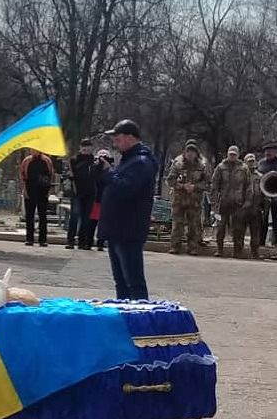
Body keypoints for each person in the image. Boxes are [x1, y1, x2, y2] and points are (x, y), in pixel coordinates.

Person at [98, 119, 157, 300]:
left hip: (128, 229)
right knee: (121, 282)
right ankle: (124, 312)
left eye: (118, 139)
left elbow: (126, 188)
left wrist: (109, 173)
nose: (115, 143)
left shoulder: (141, 162)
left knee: (133, 281)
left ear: (130, 138)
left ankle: (140, 313)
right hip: (117, 229)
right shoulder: (128, 160)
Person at [166, 141, 208, 256]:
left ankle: (192, 248)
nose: (190, 154)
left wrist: (195, 187)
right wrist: (182, 186)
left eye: (193, 152)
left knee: (193, 225)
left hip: (194, 200)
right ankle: (175, 246)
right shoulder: (178, 164)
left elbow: (207, 183)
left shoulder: (202, 166)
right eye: (188, 151)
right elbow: (170, 180)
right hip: (179, 199)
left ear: (196, 153)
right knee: (177, 224)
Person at [210, 145, 250, 258]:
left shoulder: (244, 168)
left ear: (238, 155)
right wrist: (214, 203)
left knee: (238, 228)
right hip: (222, 203)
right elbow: (214, 185)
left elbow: (248, 186)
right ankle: (219, 249)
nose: (232, 156)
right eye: (230, 154)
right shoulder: (220, 167)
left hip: (238, 203)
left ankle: (237, 251)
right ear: (227, 154)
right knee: (220, 227)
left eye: (234, 154)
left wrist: (247, 201)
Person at [66, 139, 102, 250]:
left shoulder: (95, 161)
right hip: (77, 192)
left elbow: (98, 175)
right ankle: (70, 240)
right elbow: (70, 174)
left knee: (86, 218)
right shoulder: (74, 160)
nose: (86, 150)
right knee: (75, 215)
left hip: (90, 192)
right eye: (84, 148)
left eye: (88, 148)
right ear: (80, 148)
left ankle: (82, 241)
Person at [19, 145, 56, 247]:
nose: (34, 151)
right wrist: (24, 189)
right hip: (30, 190)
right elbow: (22, 175)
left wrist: (49, 190)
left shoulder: (47, 160)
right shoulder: (27, 161)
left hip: (43, 191)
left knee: (42, 216)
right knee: (29, 216)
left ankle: (42, 239)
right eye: (32, 149)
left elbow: (51, 175)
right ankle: (29, 239)